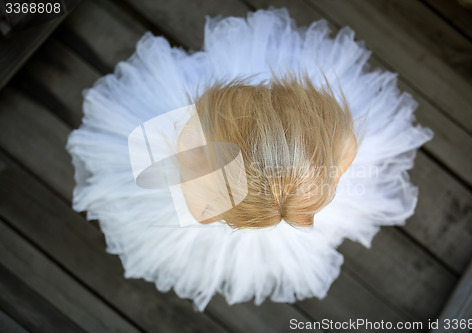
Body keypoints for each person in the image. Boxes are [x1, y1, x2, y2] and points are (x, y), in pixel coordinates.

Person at [66, 7, 433, 311]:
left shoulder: (198, 195)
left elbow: (196, 208)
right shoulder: (338, 141)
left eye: (196, 127)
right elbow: (345, 149)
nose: (188, 120)